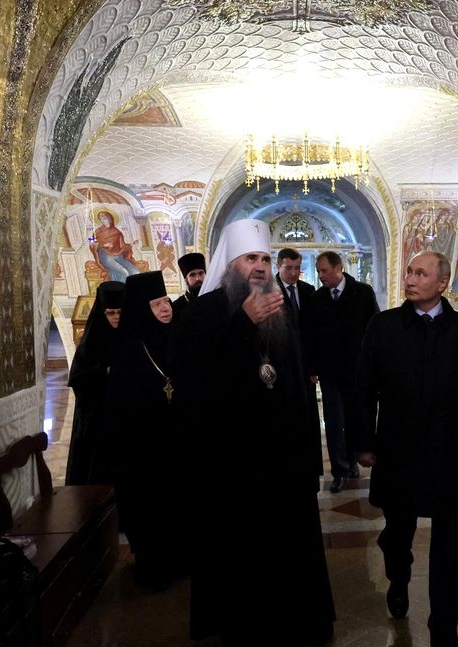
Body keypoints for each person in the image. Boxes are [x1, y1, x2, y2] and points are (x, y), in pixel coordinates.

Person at [170, 220, 334, 646]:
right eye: (250, 259)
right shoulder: (202, 314)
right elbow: (196, 380)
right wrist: (242, 323)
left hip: (283, 457)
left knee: (288, 547)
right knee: (240, 551)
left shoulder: (279, 308)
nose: (260, 266)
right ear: (231, 265)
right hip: (232, 461)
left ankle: (294, 620)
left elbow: (294, 379)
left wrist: (308, 452)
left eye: (264, 258)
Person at [354, 250, 458, 647]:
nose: (411, 279)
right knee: (398, 533)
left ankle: (444, 628)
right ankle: (398, 577)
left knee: (448, 543)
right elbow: (364, 388)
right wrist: (363, 442)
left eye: (421, 273)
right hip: (397, 451)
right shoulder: (383, 327)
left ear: (442, 282)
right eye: (409, 272)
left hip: (449, 453)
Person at [103, 271, 183, 590]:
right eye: (156, 304)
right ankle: (155, 569)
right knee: (152, 511)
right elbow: (120, 408)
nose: (165, 308)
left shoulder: (178, 337)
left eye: (166, 301)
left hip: (178, 445)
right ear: (141, 309)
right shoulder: (127, 351)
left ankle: (183, 561)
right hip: (144, 452)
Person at [306, 250, 379, 493]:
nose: (320, 276)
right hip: (329, 373)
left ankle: (352, 462)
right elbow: (311, 337)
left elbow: (374, 328)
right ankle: (338, 470)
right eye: (318, 271)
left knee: (354, 419)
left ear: (339, 269)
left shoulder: (363, 293)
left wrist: (373, 364)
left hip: (356, 371)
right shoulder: (317, 298)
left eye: (324, 271)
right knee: (334, 423)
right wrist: (312, 368)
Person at [65, 281, 124, 486]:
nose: (116, 317)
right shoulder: (90, 343)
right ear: (102, 313)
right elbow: (78, 379)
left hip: (124, 420)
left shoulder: (130, 338)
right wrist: (103, 373)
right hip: (96, 421)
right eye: (110, 312)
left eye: (120, 312)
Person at [90, 209, 141, 282]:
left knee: (135, 271)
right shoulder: (97, 232)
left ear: (109, 219)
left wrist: (132, 244)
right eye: (101, 219)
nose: (102, 220)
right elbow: (91, 243)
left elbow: (122, 246)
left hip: (118, 256)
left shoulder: (117, 232)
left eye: (104, 218)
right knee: (123, 272)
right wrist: (103, 244)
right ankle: (120, 288)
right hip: (106, 257)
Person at [171, 252, 206, 322]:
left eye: (201, 273)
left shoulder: (215, 297)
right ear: (186, 279)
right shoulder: (176, 306)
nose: (198, 278)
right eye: (192, 275)